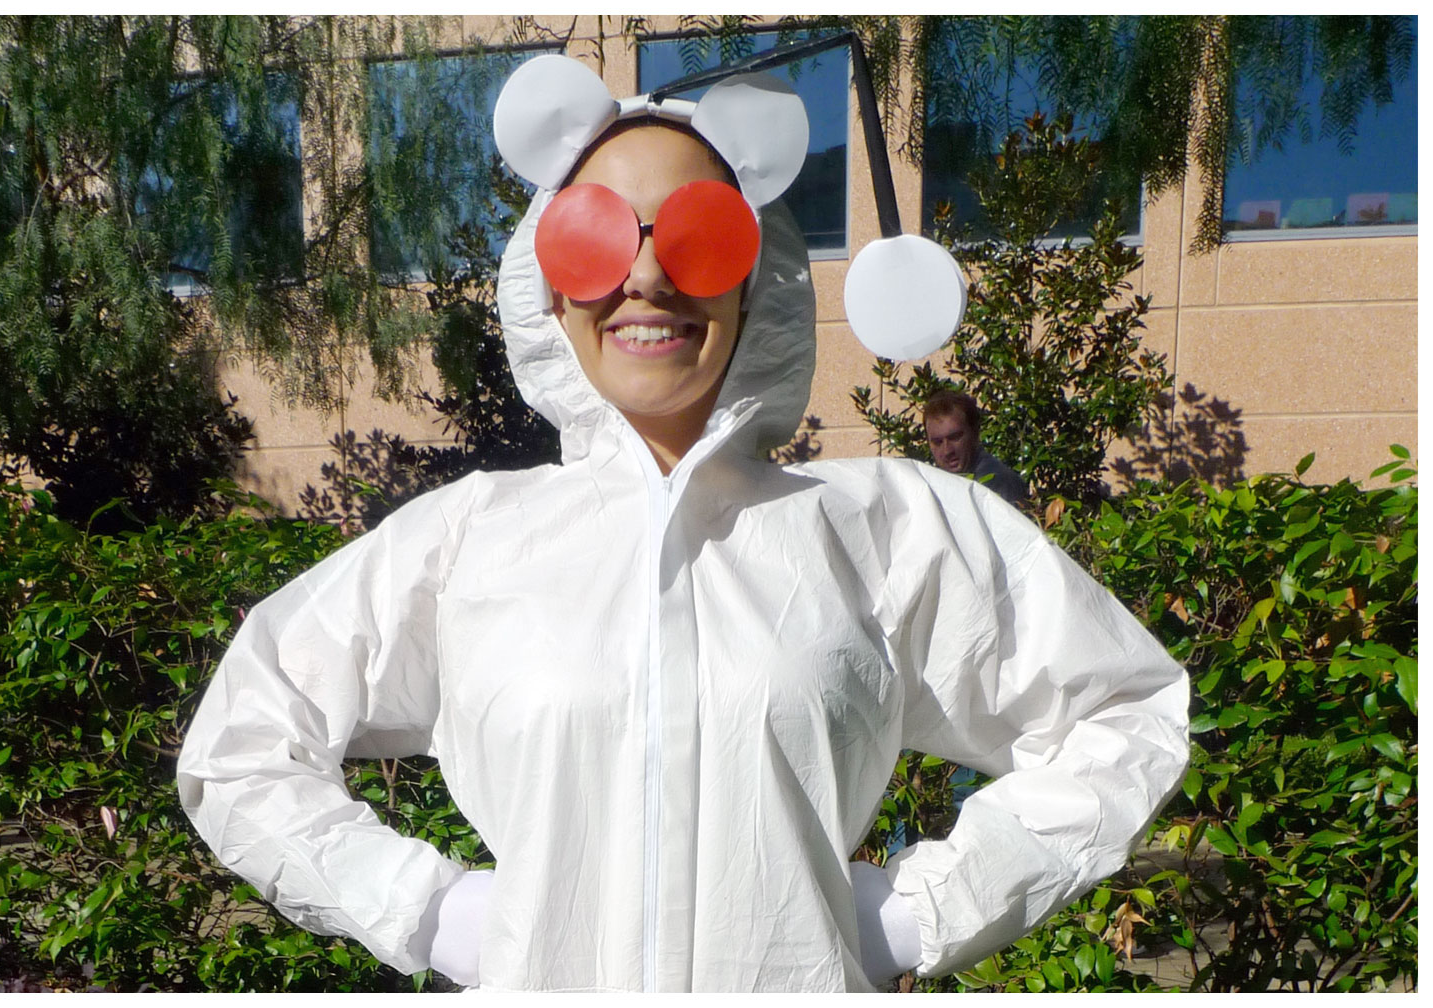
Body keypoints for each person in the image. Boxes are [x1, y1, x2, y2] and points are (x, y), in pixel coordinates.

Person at [176, 56, 1189, 993]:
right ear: (548, 288)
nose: (648, 276)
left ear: (756, 279)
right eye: (596, 236)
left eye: (701, 235)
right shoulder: (467, 539)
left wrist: (915, 915)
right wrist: (437, 915)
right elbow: (244, 743)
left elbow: (1123, 709)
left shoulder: (887, 525)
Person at [922, 389, 1028, 504]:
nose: (947, 451)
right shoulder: (929, 490)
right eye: (937, 442)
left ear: (974, 433)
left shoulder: (998, 483)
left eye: (955, 437)